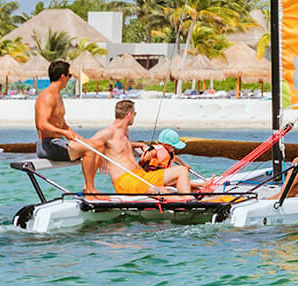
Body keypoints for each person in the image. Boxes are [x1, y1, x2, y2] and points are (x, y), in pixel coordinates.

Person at [32, 59, 104, 194]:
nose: (70, 79)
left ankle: (88, 187)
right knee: (89, 151)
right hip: (47, 146)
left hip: (59, 142)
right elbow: (42, 124)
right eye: (69, 76)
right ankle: (90, 190)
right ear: (63, 77)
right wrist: (64, 133)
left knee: (98, 145)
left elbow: (63, 124)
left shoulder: (57, 96)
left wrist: (80, 138)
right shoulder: (47, 97)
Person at [114, 129, 198, 195]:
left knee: (178, 181)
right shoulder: (155, 151)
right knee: (175, 181)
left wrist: (184, 165)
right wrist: (143, 154)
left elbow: (175, 158)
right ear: (166, 145)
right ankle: (199, 187)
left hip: (160, 178)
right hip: (151, 178)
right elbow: (143, 160)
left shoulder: (169, 153)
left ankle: (200, 189)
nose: (174, 148)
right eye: (173, 146)